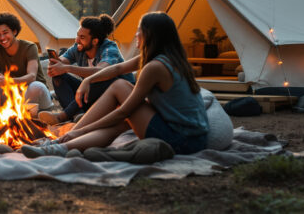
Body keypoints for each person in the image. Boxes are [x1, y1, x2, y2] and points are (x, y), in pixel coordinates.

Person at [22, 12, 209, 158]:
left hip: (183, 141)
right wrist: (87, 79)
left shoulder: (155, 67)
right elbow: (119, 68)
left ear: (150, 35)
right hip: (192, 136)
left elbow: (124, 111)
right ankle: (63, 146)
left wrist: (83, 129)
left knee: (120, 90)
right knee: (118, 123)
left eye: (139, 30)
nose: (136, 34)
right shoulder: (164, 56)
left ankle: (67, 140)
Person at [39, 14, 134, 125]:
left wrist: (67, 68)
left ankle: (63, 116)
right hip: (91, 95)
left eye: (82, 37)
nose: (77, 40)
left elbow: (102, 71)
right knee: (58, 75)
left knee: (101, 79)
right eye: (77, 35)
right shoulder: (78, 48)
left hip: (117, 95)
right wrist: (56, 64)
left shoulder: (110, 48)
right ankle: (78, 115)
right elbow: (62, 61)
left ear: (95, 41)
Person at [0, 13, 53, 111]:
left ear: (14, 31)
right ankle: (9, 108)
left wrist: (8, 81)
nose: (2, 38)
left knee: (37, 86)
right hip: (13, 95)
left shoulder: (30, 47)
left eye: (5, 33)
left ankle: (21, 108)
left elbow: (32, 76)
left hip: (34, 94)